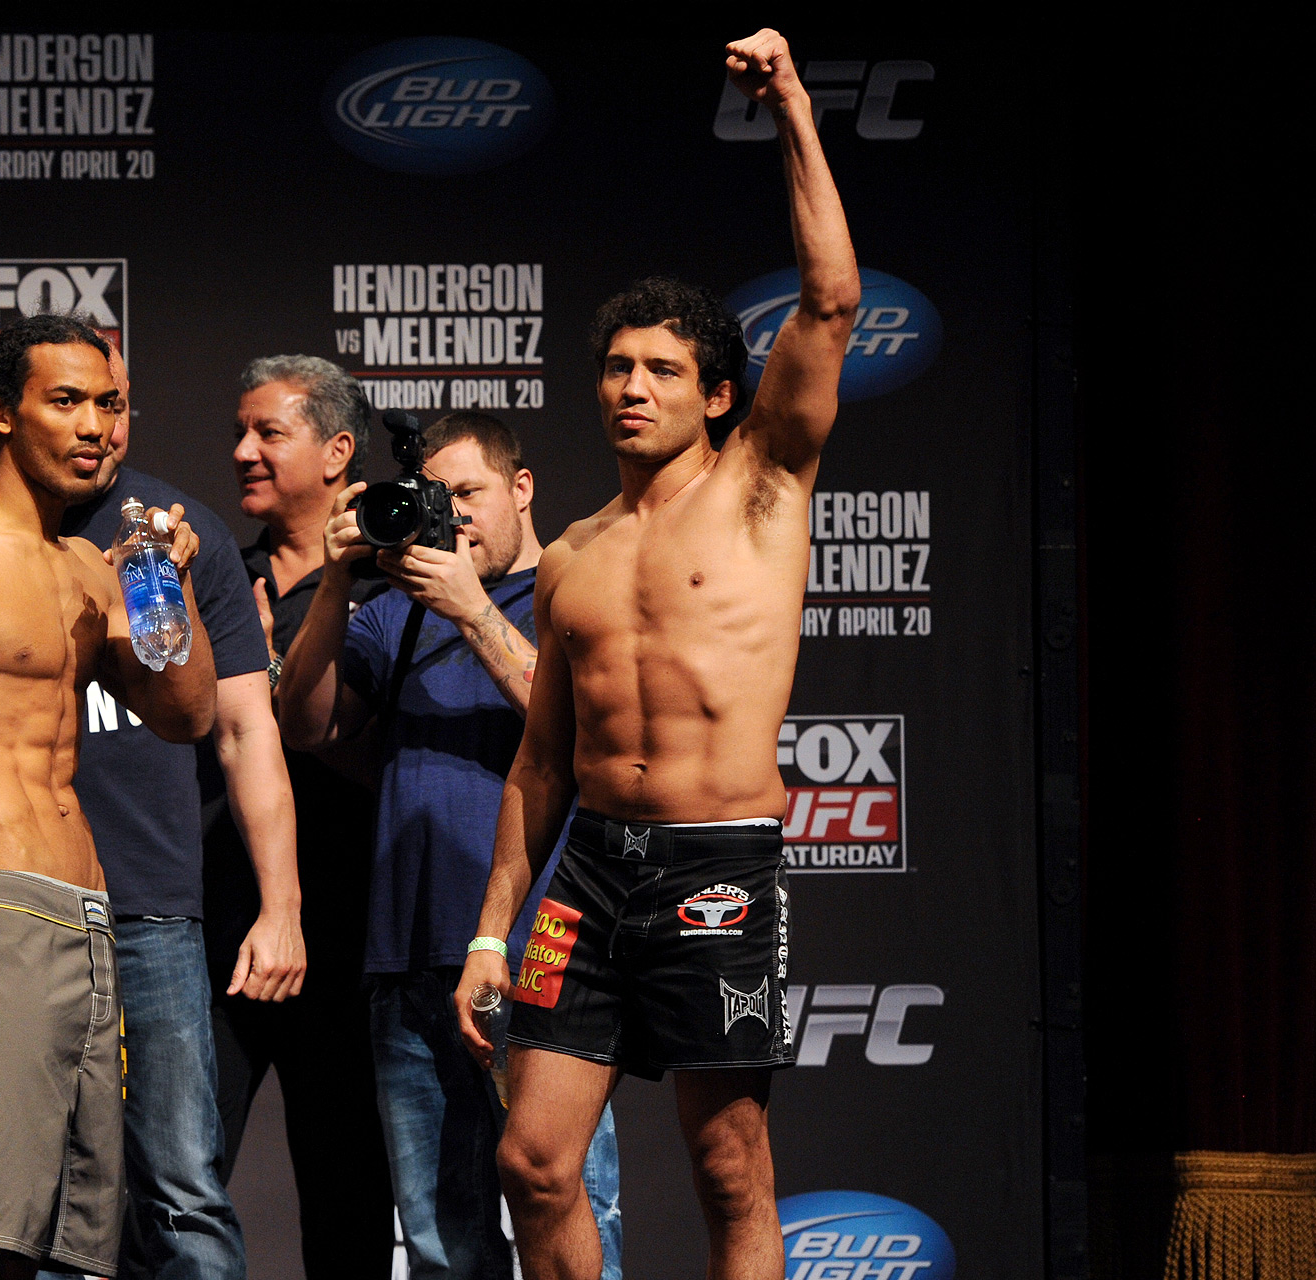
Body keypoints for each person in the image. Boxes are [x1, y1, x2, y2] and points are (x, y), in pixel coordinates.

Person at [453, 29, 862, 1280]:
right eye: (617, 367)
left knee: (728, 1165)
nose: (631, 386)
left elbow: (829, 300)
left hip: (713, 863)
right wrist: (489, 931)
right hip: (587, 868)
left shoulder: (761, 486)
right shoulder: (571, 553)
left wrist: (790, 107)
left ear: (717, 395)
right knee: (532, 1160)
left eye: (662, 370)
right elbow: (538, 762)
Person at [0, 346, 301, 1278]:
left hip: (90, 919)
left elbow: (186, 714)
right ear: (1, 412)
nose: (94, 425)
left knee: (63, 1239)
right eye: (65, 401)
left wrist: (165, 584)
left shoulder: (90, 570)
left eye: (108, 403)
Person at [276, 413, 622, 1280]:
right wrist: (334, 580)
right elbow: (306, 723)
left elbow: (586, 732)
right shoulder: (396, 613)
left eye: (468, 492)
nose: (454, 515)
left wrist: (471, 609)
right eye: (437, 499)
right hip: (407, 961)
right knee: (439, 1246)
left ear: (522, 488)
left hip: (542, 952)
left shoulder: (574, 592)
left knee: (571, 1209)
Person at [201, 354, 393, 1276]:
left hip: (354, 938)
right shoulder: (213, 585)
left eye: (268, 433)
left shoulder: (399, 583)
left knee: (349, 1196)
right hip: (221, 935)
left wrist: (284, 676)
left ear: (337, 451)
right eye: (240, 432)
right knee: (177, 1185)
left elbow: (386, 755)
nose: (243, 451)